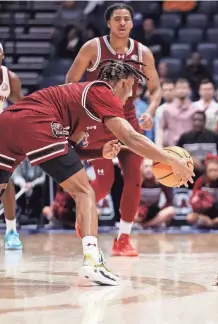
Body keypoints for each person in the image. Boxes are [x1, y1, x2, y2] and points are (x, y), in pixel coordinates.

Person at [0, 60, 194, 285]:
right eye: (130, 88)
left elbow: (68, 152)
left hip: (6, 122)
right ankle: (93, 262)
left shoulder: (81, 104)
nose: (130, 95)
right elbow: (130, 137)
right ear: (122, 82)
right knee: (84, 193)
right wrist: (170, 159)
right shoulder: (102, 91)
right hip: (35, 121)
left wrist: (99, 151)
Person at [65, 3, 163, 256]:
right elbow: (70, 83)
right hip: (99, 120)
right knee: (106, 182)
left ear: (132, 23)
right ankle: (82, 213)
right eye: (117, 19)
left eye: (126, 19)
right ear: (108, 23)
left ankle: (123, 239)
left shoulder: (143, 52)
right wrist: (81, 116)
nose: (122, 23)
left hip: (129, 119)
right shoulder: (92, 48)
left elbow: (156, 90)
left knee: (134, 179)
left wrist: (150, 111)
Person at [0, 42, 24, 250]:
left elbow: (23, 108)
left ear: (2, 55)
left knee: (6, 181)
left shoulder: (10, 78)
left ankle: (11, 230)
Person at [177, 111, 218, 182]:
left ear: (205, 121)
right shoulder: (184, 137)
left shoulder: (214, 136)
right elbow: (177, 155)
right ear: (192, 122)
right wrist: (191, 160)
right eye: (195, 120)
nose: (197, 122)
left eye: (200, 120)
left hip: (210, 175)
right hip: (189, 175)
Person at [135, 160, 175, 228]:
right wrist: (139, 209)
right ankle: (148, 223)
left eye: (151, 167)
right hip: (140, 213)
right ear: (142, 168)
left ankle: (147, 225)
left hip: (155, 212)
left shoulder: (162, 181)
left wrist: (161, 210)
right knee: (125, 210)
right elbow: (130, 201)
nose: (148, 170)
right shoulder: (136, 181)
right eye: (146, 167)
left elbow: (169, 201)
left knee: (171, 210)